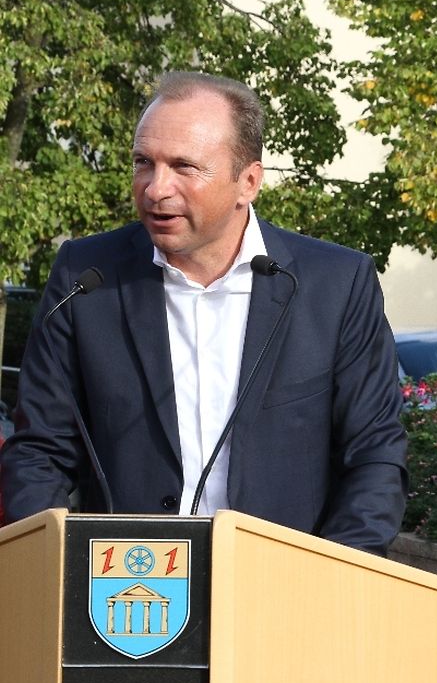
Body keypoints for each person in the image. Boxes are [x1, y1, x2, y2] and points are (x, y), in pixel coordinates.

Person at [0, 72, 408, 556]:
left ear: (248, 182)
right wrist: (56, 564)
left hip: (282, 582)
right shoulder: (86, 278)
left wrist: (334, 577)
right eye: (143, 163)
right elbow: (39, 451)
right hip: (124, 585)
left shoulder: (336, 284)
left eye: (184, 166)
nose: (156, 188)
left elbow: (375, 456)